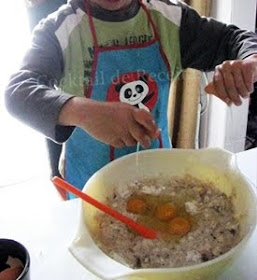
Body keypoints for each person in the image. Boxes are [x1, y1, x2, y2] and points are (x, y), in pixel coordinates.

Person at [5, 0, 257, 199]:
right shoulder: (58, 31)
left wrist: (250, 63)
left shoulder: (171, 20)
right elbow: (17, 91)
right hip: (89, 187)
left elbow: (236, 39)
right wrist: (83, 111)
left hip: (159, 175)